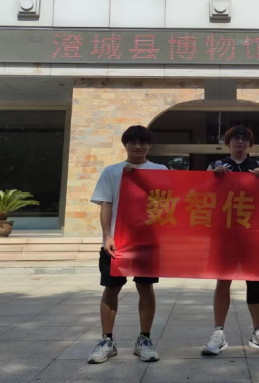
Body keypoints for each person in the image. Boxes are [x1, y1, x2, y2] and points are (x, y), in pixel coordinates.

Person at [201, 126, 259, 356]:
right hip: (224, 233)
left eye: (244, 138)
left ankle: (258, 332)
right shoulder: (217, 165)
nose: (240, 141)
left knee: (255, 281)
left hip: (253, 233)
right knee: (223, 281)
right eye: (236, 138)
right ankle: (218, 333)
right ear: (228, 142)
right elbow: (203, 195)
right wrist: (213, 179)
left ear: (250, 143)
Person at [87, 125, 166, 364]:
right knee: (111, 288)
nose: (137, 146)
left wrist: (140, 179)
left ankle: (145, 340)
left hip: (147, 241)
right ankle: (107, 341)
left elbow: (167, 202)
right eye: (132, 142)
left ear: (149, 146)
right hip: (116, 241)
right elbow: (106, 204)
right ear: (125, 145)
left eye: (142, 142)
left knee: (145, 288)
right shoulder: (112, 171)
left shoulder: (160, 170)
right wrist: (107, 236)